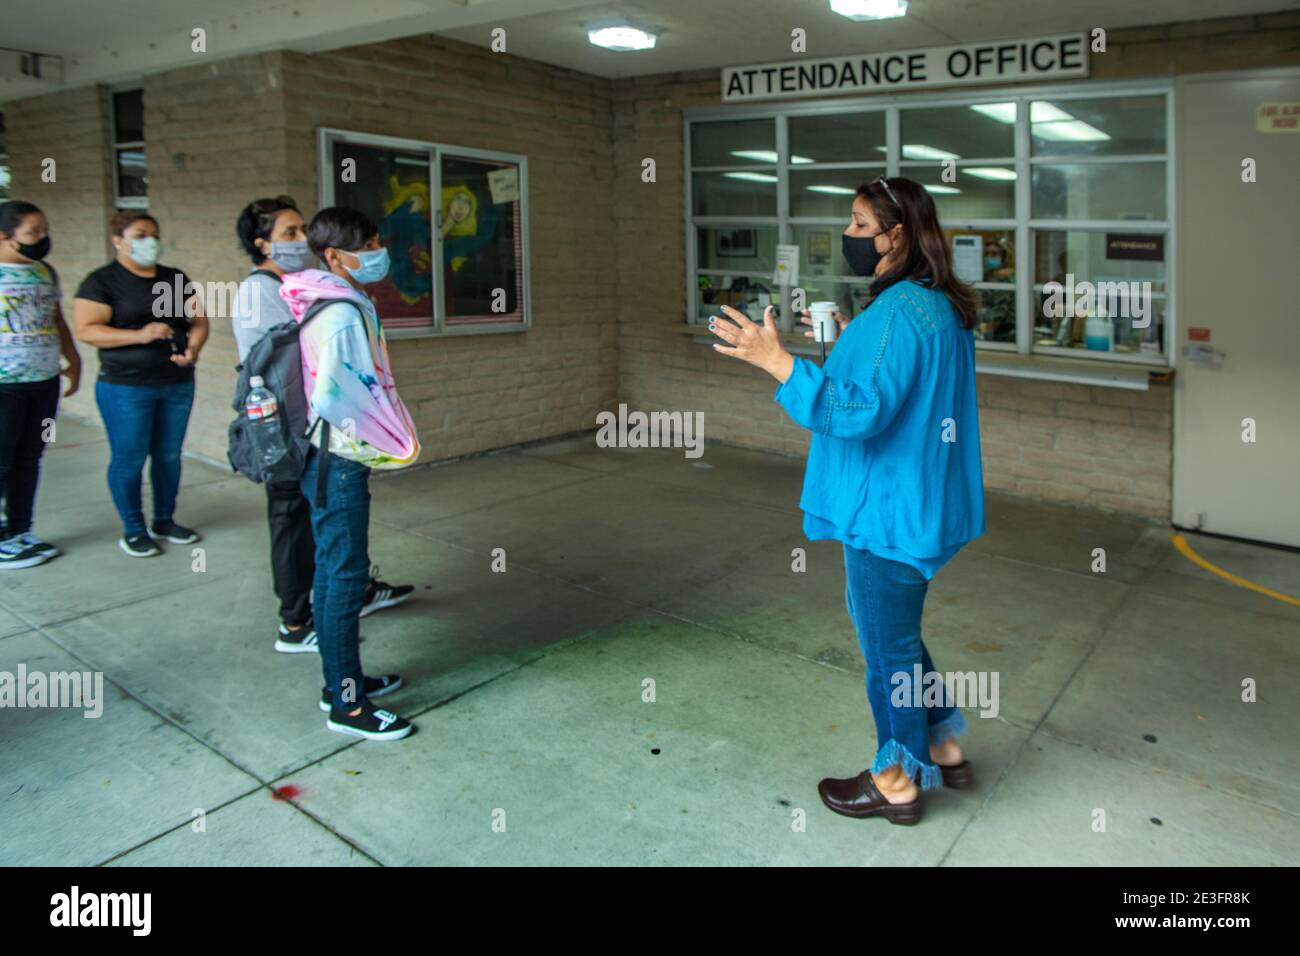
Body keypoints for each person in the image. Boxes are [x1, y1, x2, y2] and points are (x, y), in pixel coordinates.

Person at [709, 176, 985, 826]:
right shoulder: (935, 305)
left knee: (886, 647)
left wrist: (776, 362)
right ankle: (943, 742)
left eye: (861, 225)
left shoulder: (894, 315)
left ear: (898, 234)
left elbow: (858, 411)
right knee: (900, 635)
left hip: (887, 511)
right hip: (921, 504)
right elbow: (888, 388)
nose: (850, 237)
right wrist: (841, 344)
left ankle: (895, 781)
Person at [233, 196, 415, 655]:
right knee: (302, 530)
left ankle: (344, 607)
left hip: (319, 436)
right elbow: (306, 376)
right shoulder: (290, 296)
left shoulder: (313, 291)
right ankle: (300, 622)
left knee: (335, 550)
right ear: (262, 244)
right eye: (291, 233)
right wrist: (383, 437)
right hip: (302, 433)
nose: (302, 241)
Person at [279, 206, 421, 741]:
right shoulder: (339, 314)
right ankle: (347, 705)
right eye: (367, 243)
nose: (377, 250)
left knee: (332, 572)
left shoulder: (333, 300)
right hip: (338, 460)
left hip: (330, 456)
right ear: (336, 256)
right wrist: (389, 443)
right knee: (344, 579)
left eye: (377, 239)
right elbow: (339, 397)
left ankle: (343, 680)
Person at [73, 212, 208, 557]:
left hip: (176, 382)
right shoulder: (102, 282)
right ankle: (134, 528)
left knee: (167, 455)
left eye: (155, 234)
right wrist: (140, 334)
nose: (151, 240)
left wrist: (192, 350)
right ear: (118, 239)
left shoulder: (174, 278)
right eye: (141, 233)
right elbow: (87, 330)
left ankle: (164, 519)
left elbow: (198, 320)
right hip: (126, 387)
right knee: (129, 458)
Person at [0, 200, 81, 569]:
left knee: (29, 458)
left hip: (43, 380)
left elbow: (56, 318)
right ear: (5, 237)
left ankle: (19, 531)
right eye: (34, 233)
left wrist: (73, 359)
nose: (42, 238)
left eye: (44, 231)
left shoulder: (44, 271)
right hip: (5, 385)